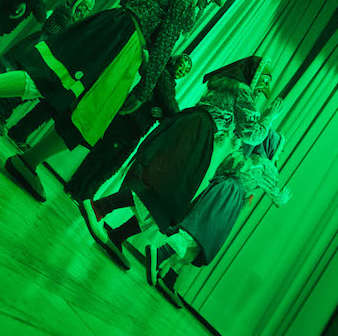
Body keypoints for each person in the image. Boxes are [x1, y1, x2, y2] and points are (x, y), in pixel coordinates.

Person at [0, 0, 227, 203]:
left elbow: (156, 42)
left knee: (87, 116)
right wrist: (143, 90)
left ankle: (28, 162)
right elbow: (163, 46)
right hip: (120, 39)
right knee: (52, 80)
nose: (206, 0)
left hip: (124, 45)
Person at [79, 56, 281, 271]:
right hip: (197, 135)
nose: (262, 88)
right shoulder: (241, 89)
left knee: (169, 198)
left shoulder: (227, 84)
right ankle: (99, 207)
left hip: (194, 129)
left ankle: (118, 235)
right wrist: (269, 118)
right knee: (164, 190)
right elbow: (252, 133)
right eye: (264, 80)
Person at [148, 130, 290, 305]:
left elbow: (220, 171)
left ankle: (169, 278)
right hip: (230, 198)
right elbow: (276, 196)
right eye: (280, 149)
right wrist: (282, 199)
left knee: (200, 238)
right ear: (272, 145)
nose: (280, 153)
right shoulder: (266, 166)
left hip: (219, 189)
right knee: (198, 234)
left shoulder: (242, 154)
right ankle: (160, 253)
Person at [66, 52, 192, 201]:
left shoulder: (168, 84)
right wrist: (175, 116)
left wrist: (163, 113)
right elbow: (170, 105)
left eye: (185, 71)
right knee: (101, 157)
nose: (181, 71)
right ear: (174, 62)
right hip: (127, 121)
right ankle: (75, 188)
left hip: (137, 129)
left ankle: (86, 195)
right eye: (181, 66)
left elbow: (167, 109)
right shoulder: (162, 76)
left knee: (113, 164)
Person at [0, 0, 96, 142]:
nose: (84, 11)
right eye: (84, 6)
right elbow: (56, 33)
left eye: (88, 9)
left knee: (31, 90)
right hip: (40, 52)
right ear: (77, 3)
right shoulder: (64, 13)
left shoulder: (79, 25)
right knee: (25, 84)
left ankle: (0, 113)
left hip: (51, 60)